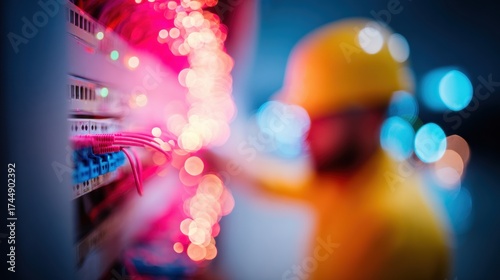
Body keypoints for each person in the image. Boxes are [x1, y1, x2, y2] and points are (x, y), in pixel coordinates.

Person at [214, 18, 451, 280]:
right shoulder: (346, 176)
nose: (305, 136)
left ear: (369, 119)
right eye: (304, 119)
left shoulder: (399, 230)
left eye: (319, 122)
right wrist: (216, 154)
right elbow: (273, 180)